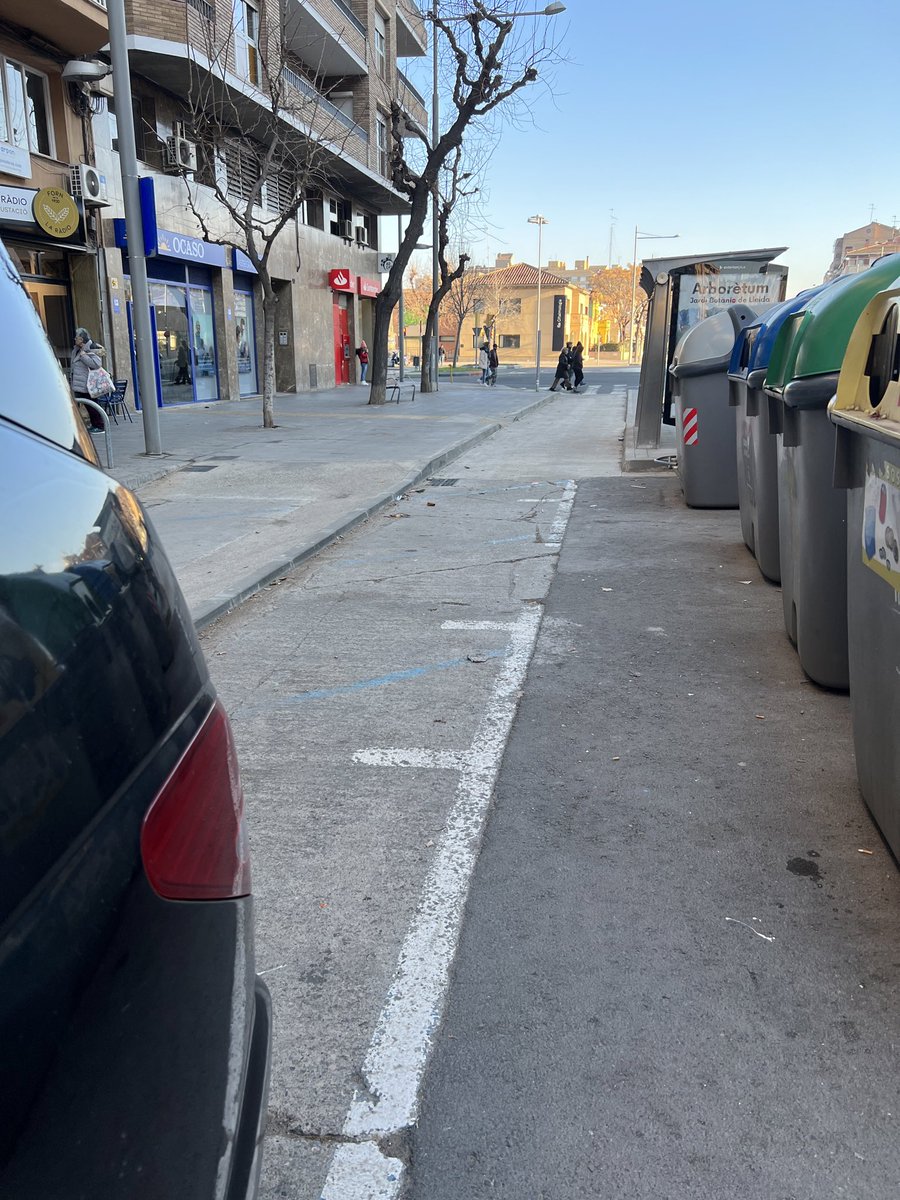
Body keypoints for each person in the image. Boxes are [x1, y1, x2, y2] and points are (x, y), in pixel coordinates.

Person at [70, 327, 105, 430]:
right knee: (79, 405)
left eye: (76, 338)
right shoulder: (76, 350)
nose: (74, 339)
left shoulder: (90, 348)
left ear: (81, 339)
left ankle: (99, 425)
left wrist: (84, 356)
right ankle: (81, 426)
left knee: (92, 406)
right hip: (78, 383)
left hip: (88, 383)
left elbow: (97, 364)